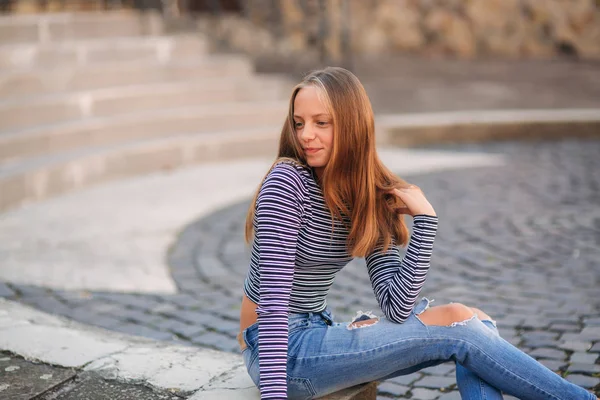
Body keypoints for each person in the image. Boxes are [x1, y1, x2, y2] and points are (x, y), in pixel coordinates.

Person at [236, 67, 598, 400]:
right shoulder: (287, 183)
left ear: (352, 126)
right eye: (299, 123)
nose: (306, 136)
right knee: (461, 326)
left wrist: (425, 222)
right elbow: (272, 304)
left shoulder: (366, 193)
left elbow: (397, 306)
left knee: (476, 319)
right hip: (280, 352)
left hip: (316, 333)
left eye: (321, 123)